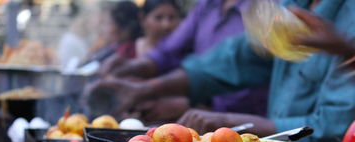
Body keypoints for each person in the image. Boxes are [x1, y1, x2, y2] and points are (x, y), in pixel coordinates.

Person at [87, 0, 355, 142]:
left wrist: (228, 122)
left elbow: (334, 126)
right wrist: (145, 87)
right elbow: (238, 57)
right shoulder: (293, 5)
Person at [91, 0, 269, 124]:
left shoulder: (269, 8)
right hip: (205, 118)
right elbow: (169, 51)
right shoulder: (206, 5)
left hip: (251, 123)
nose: (166, 24)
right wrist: (132, 67)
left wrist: (151, 90)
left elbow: (235, 63)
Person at [99, 0, 182, 74]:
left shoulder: (182, 51)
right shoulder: (127, 50)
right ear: (142, 18)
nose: (166, 25)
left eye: (172, 18)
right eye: (158, 18)